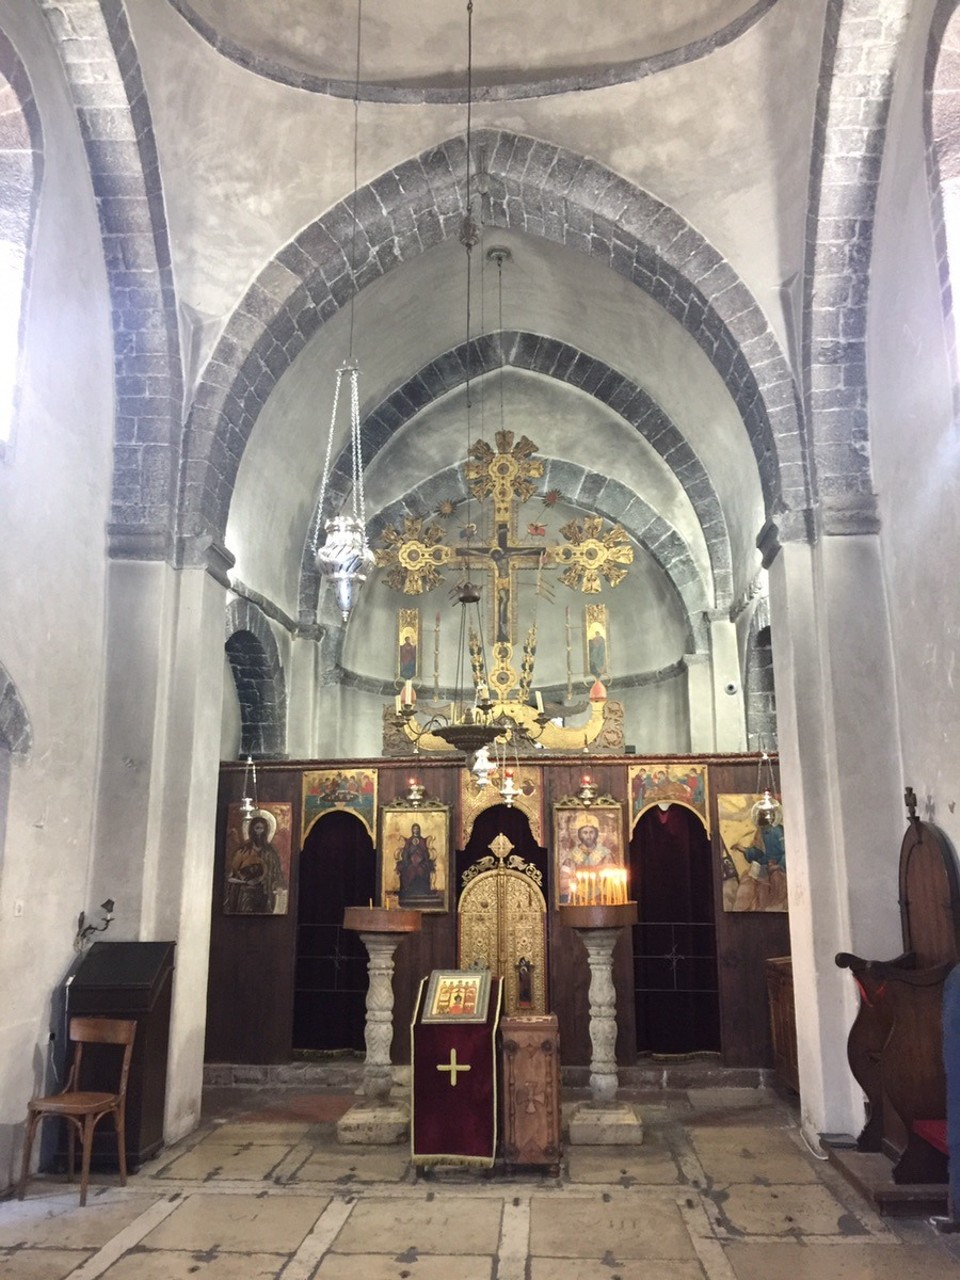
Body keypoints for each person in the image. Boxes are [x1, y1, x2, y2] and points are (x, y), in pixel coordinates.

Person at [225, 811, 284, 914]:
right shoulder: (243, 852)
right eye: (257, 828)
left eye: (262, 829)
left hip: (265, 894)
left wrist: (278, 885)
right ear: (251, 830)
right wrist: (245, 882)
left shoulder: (270, 853)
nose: (260, 832)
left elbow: (277, 873)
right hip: (245, 895)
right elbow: (230, 877)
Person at [396, 822, 437, 903]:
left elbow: (426, 853)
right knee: (409, 869)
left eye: (417, 829)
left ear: (419, 830)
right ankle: (408, 890)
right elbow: (405, 852)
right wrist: (410, 854)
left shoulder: (422, 840)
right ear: (412, 830)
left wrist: (420, 855)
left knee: (421, 869)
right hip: (410, 863)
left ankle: (422, 891)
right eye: (414, 829)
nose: (416, 830)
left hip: (421, 863)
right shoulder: (409, 841)